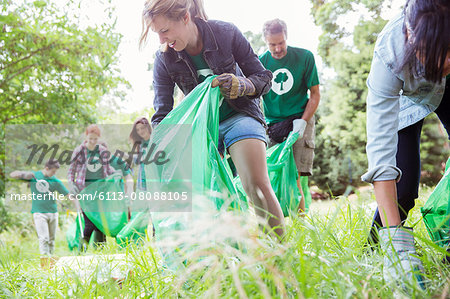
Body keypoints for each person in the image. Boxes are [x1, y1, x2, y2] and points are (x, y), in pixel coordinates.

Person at [140, 0, 285, 237]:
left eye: (165, 31)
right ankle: (223, 260)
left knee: (255, 184)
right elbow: (162, 114)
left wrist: (244, 85)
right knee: (208, 197)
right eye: (157, 34)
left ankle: (280, 256)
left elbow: (263, 77)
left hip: (241, 115)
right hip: (203, 128)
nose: (162, 40)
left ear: (185, 18)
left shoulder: (225, 33)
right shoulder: (164, 59)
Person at [362, 0, 449, 287]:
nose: (445, 63)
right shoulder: (389, 55)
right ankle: (378, 251)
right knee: (403, 187)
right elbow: (380, 149)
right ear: (411, 38)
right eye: (435, 54)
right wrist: (396, 246)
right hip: (405, 100)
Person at [259, 19, 320, 214]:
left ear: (286, 37)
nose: (277, 49)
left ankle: (301, 227)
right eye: (272, 44)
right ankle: (277, 224)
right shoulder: (260, 63)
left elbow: (315, 94)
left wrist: (303, 121)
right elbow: (253, 98)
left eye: (281, 43)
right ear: (265, 42)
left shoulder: (304, 57)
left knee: (296, 176)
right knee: (271, 174)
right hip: (273, 124)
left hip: (300, 117)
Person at [10, 159, 70, 267]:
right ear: (47, 168)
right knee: (44, 238)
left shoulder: (54, 180)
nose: (54, 174)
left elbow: (67, 194)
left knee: (51, 240)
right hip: (39, 213)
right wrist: (24, 174)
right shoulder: (34, 176)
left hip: (53, 212)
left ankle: (51, 263)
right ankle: (44, 263)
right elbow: (13, 174)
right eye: (53, 171)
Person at [67, 124, 116, 247]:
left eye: (95, 139)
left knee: (100, 222)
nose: (93, 141)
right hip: (85, 191)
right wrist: (71, 185)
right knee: (89, 222)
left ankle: (100, 250)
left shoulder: (102, 151)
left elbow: (107, 169)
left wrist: (116, 173)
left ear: (98, 138)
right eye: (90, 138)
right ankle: (81, 250)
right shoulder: (79, 151)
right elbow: (71, 171)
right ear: (86, 137)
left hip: (100, 190)